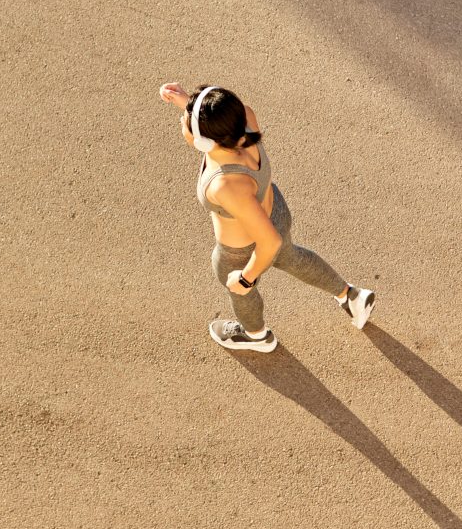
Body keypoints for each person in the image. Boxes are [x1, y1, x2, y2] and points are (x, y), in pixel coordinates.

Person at [159, 82, 376, 352]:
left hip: (242, 249)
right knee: (292, 257)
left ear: (203, 140)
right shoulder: (245, 118)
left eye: (186, 123)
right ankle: (351, 296)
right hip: (275, 212)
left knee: (240, 290)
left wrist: (245, 277)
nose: (183, 123)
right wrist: (192, 106)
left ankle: (256, 336)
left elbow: (268, 243)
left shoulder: (226, 185)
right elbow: (226, 122)